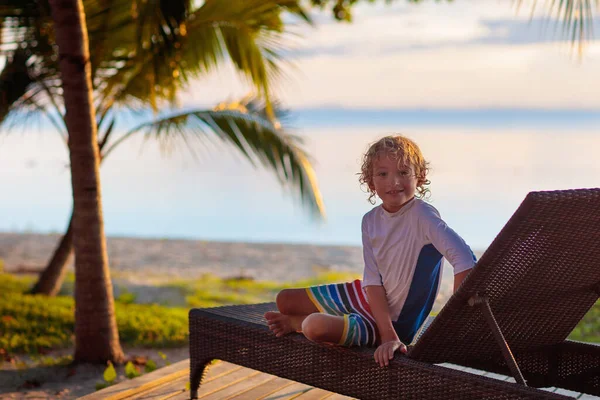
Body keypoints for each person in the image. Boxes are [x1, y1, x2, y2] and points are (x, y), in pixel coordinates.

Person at [264, 135, 476, 367]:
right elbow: (372, 280)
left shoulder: (423, 217)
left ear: (420, 176)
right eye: (383, 174)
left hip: (394, 324)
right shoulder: (370, 220)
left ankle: (297, 324)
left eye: (403, 172)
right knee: (285, 299)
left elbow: (465, 259)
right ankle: (333, 320)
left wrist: (452, 325)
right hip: (366, 296)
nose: (393, 182)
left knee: (313, 326)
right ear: (370, 182)